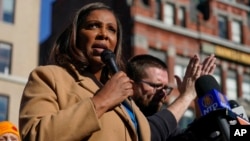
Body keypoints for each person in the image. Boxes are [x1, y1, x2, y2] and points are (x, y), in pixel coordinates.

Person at [19, 2, 151, 141]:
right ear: (75, 36)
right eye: (93, 26)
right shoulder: (48, 77)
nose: (104, 34)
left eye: (111, 29)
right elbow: (34, 135)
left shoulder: (128, 100)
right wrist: (102, 101)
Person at [126, 54, 216, 140]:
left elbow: (192, 138)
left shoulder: (167, 129)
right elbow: (148, 134)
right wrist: (187, 95)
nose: (163, 93)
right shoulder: (120, 112)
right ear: (132, 85)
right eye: (156, 86)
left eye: (165, 88)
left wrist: (197, 97)